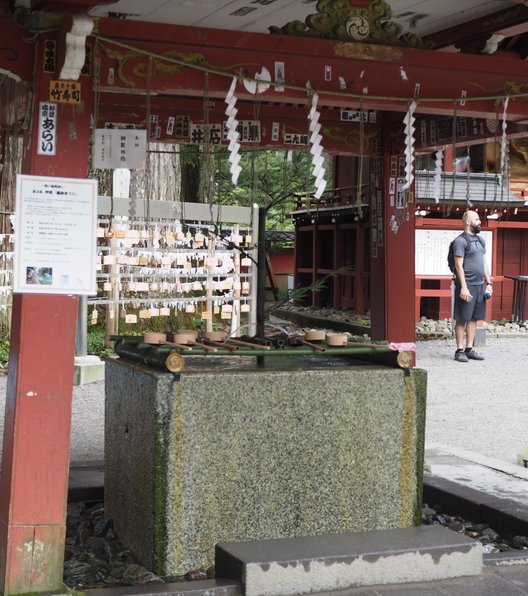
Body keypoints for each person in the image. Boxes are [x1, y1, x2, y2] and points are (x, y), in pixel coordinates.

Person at [452, 210, 492, 362]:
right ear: (468, 222)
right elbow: (458, 265)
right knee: (462, 318)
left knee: (474, 318)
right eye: (476, 219)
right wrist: (463, 287)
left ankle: (469, 348)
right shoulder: (460, 241)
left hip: (480, 286)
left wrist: (489, 283)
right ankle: (459, 350)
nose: (480, 221)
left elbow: (484, 263)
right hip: (467, 285)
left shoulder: (480, 241)